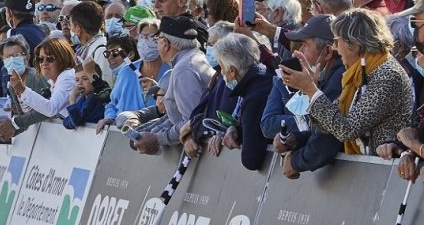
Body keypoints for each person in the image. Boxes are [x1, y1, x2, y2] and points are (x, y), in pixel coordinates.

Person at [281, 8, 413, 160]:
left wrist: (311, 90)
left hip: (387, 174)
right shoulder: (357, 74)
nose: (335, 48)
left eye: (337, 41)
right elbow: (326, 126)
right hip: (371, 171)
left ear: (354, 43)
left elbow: (347, 129)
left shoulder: (387, 75)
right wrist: (311, 89)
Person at [268, 15, 344, 178]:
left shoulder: (340, 77)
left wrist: (295, 162)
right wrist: (297, 139)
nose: (297, 52)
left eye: (304, 45)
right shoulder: (329, 76)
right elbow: (321, 128)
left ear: (328, 51)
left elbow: (329, 138)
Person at [132, 15, 215, 155]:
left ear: (165, 44)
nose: (157, 45)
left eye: (157, 40)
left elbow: (192, 121)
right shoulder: (195, 57)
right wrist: (153, 129)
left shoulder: (183, 70)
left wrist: (158, 138)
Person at [202, 34, 272, 170]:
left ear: (232, 71)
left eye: (222, 68)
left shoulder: (253, 98)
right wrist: (237, 130)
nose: (222, 73)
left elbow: (251, 160)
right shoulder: (266, 77)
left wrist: (241, 139)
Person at [98, 18, 166, 132]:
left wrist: (158, 92)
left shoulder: (171, 73)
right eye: (142, 37)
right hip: (123, 139)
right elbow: (113, 104)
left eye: (151, 37)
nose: (145, 41)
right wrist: (110, 117)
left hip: (157, 140)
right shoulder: (126, 71)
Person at [9, 36, 77, 122]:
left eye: (50, 58)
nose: (44, 63)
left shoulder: (67, 77)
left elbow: (51, 109)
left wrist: (23, 90)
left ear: (63, 58)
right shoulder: (56, 80)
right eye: (40, 59)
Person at [67, 1, 112, 85]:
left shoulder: (101, 50)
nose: (71, 30)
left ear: (78, 28)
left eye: (71, 25)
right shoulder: (87, 49)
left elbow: (107, 84)